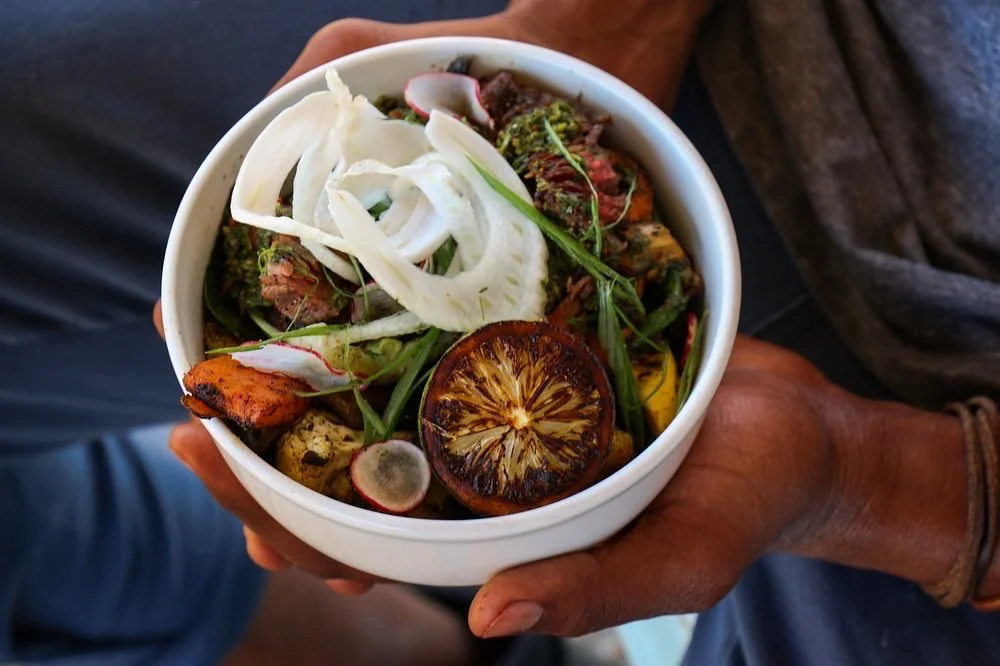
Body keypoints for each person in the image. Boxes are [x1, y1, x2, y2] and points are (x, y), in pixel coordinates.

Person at [3, 0, 998, 664]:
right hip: (748, 50)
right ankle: (405, 643)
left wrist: (874, 478)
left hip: (952, 451)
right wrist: (603, 19)